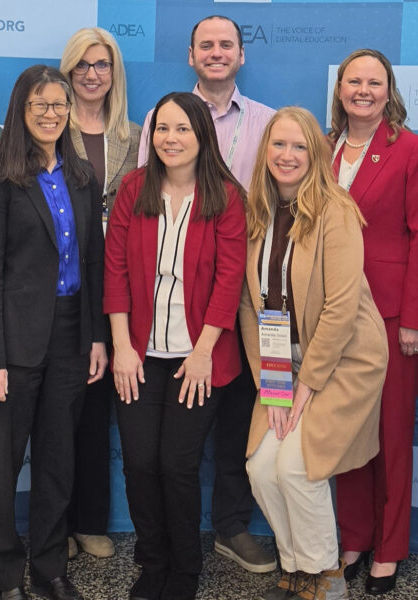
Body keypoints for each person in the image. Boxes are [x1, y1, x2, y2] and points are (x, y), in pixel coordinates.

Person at [138, 15, 277, 573]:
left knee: (239, 410)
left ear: (242, 55)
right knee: (179, 433)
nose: (216, 53)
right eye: (206, 45)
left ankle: (230, 525)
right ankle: (172, 547)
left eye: (227, 45)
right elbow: (152, 205)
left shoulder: (268, 122)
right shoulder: (160, 117)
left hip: (255, 290)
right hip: (186, 297)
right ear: (190, 54)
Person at [240, 107, 388, 600]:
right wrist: (270, 381)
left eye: (299, 146)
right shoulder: (256, 211)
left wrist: (306, 385)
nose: (287, 156)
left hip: (344, 358)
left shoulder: (336, 210)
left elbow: (342, 307)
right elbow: (248, 304)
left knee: (296, 467)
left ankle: (326, 575)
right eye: (278, 145)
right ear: (265, 152)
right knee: (261, 468)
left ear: (315, 154)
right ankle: (296, 566)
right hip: (283, 359)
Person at [104, 91, 247, 600]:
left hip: (198, 358)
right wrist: (122, 346)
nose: (171, 138)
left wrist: (205, 350)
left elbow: (230, 280)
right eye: (162, 129)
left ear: (202, 135)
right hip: (138, 354)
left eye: (182, 128)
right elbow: (115, 269)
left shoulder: (227, 195)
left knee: (178, 466)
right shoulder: (133, 188)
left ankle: (185, 569)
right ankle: (153, 561)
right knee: (140, 463)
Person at [0, 65, 107, 600]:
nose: (51, 114)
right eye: (40, 105)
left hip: (72, 336)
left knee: (58, 461)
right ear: (20, 112)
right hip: (14, 341)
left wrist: (96, 336)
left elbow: (92, 263)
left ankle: (51, 569)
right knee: (2, 466)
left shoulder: (80, 175)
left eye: (59, 105)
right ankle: (4, 577)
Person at [327, 49, 418, 595]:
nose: (364, 91)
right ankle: (355, 536)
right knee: (347, 431)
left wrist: (416, 319)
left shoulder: (414, 150)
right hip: (335, 316)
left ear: (389, 89)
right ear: (341, 88)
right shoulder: (323, 149)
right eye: (355, 81)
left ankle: (390, 549)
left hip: (393, 314)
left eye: (375, 82)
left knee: (392, 434)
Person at [59, 26, 141, 561]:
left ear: (115, 74)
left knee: (95, 410)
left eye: (102, 64)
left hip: (117, 286)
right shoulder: (45, 129)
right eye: (83, 65)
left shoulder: (137, 136)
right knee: (56, 410)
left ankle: (88, 521)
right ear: (68, 72)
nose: (92, 74)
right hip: (59, 289)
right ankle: (53, 525)